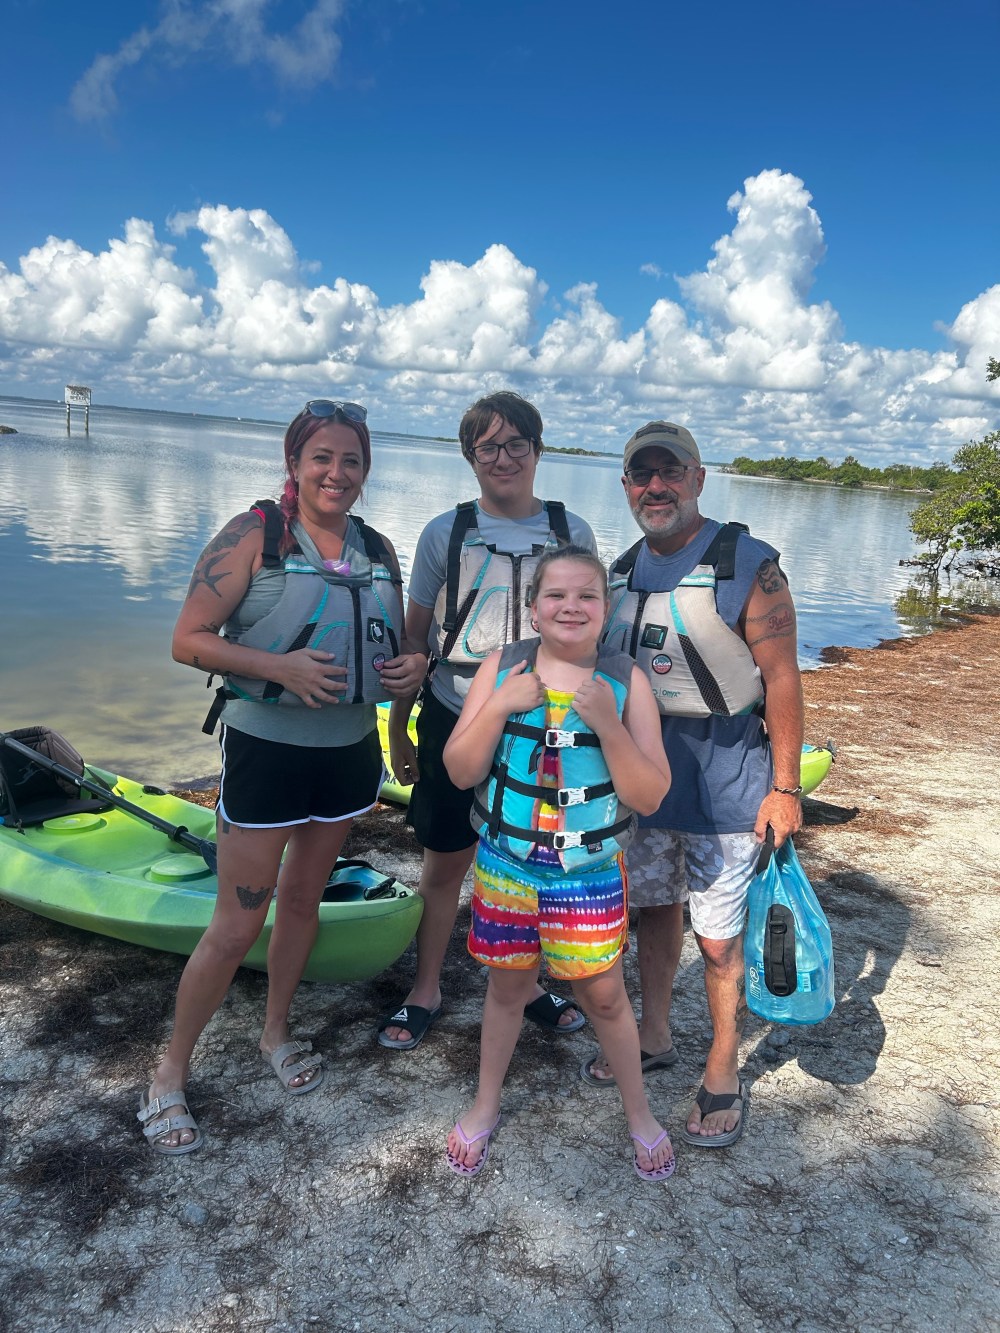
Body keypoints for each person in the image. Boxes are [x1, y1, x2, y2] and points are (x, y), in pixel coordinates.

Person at [138, 399, 426, 1154]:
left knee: (303, 903)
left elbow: (389, 650)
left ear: (366, 469)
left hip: (347, 753)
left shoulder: (379, 549)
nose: (338, 472)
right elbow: (185, 640)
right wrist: (277, 666)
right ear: (295, 461)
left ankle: (275, 1033)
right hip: (267, 752)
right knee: (236, 923)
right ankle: (168, 1071)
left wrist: (409, 672)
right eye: (322, 457)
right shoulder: (255, 534)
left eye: (352, 459)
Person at [581, 421, 803, 1150]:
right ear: (625, 487)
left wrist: (787, 788)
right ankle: (653, 1033)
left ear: (698, 478)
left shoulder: (748, 565)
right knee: (650, 914)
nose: (656, 486)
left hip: (729, 786)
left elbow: (783, 680)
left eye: (669, 471)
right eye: (641, 474)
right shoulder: (617, 573)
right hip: (643, 790)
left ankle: (722, 1062)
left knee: (717, 939)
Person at [442, 547, 675, 1180]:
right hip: (506, 865)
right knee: (507, 988)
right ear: (533, 609)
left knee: (603, 998)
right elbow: (461, 769)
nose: (571, 606)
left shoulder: (625, 682)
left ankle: (640, 1115)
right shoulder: (502, 667)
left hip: (589, 874)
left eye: (587, 596)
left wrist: (609, 724)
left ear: (607, 608)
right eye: (556, 596)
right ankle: (486, 1103)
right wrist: (496, 704)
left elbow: (649, 793)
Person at [380, 391, 598, 1051]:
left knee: (530, 862)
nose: (502, 458)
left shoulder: (572, 531)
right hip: (456, 713)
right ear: (470, 456)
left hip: (543, 729)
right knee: (445, 860)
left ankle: (527, 984)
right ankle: (426, 985)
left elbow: (586, 626)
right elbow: (414, 646)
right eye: (487, 447)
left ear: (537, 450)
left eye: (515, 444)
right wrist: (397, 728)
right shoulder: (444, 534)